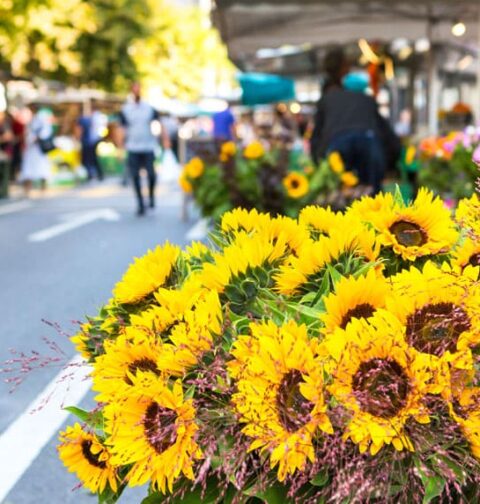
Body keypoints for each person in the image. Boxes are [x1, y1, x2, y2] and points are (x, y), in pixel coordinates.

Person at [310, 73, 398, 194]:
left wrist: (318, 160)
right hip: (368, 140)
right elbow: (387, 134)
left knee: (338, 192)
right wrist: (391, 164)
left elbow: (316, 135)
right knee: (373, 195)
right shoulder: (368, 100)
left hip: (338, 142)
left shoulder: (327, 100)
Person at [119, 82, 160, 216]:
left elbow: (159, 123)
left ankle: (151, 196)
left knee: (151, 175)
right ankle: (140, 204)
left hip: (148, 146)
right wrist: (120, 147)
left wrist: (164, 139)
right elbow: (121, 128)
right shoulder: (126, 109)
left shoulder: (148, 108)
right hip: (133, 147)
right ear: (131, 91)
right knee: (135, 176)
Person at [20, 106, 54, 196]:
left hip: (38, 149)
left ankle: (42, 188)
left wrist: (37, 138)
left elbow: (45, 132)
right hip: (31, 149)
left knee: (41, 168)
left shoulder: (40, 120)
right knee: (28, 169)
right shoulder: (31, 121)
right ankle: (27, 189)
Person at [77, 103, 106, 181]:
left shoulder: (92, 118)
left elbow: (80, 130)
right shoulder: (93, 117)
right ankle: (93, 175)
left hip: (90, 142)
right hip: (91, 141)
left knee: (90, 159)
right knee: (91, 159)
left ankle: (95, 174)